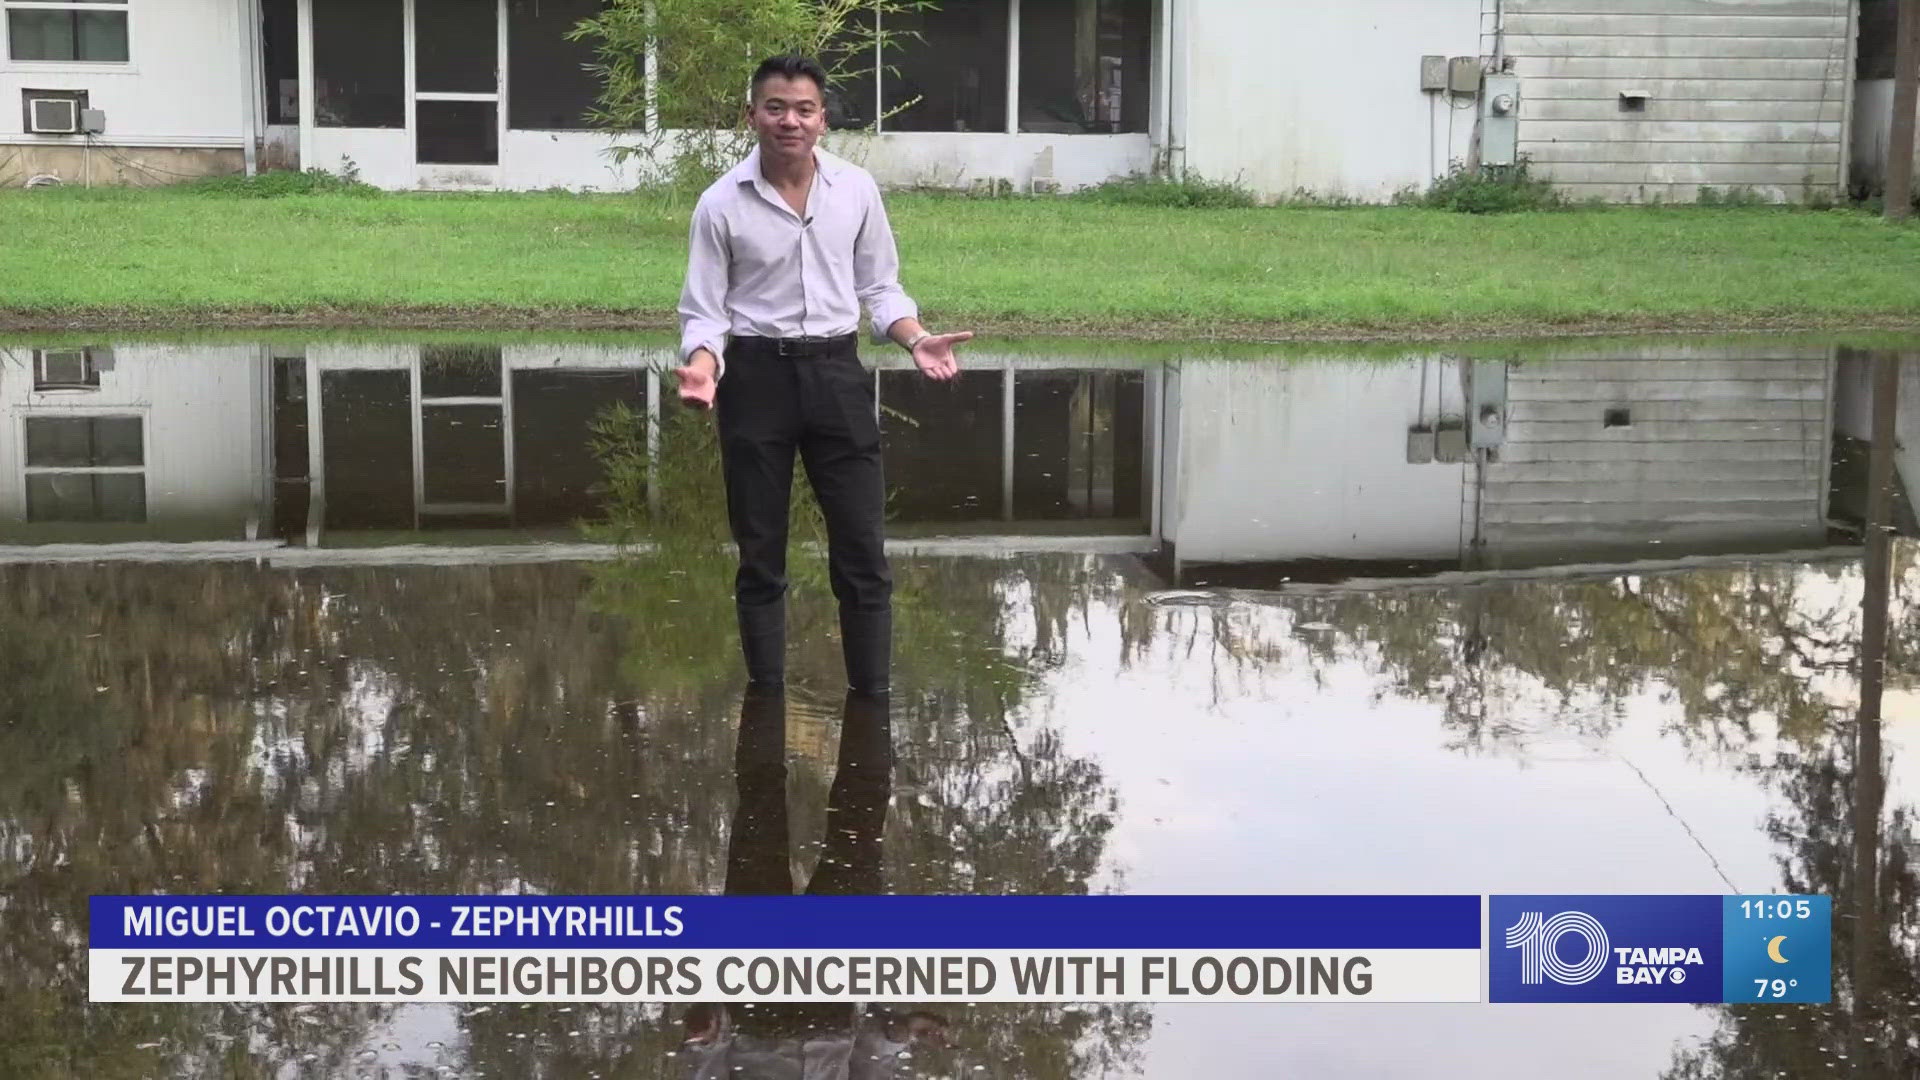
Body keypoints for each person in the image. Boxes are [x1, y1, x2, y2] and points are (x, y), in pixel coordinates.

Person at [675, 54, 972, 698]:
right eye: (775, 107)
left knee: (863, 553)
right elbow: (705, 312)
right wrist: (704, 367)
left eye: (803, 109)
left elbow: (881, 287)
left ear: (823, 119)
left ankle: (873, 701)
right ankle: (766, 702)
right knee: (760, 555)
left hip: (837, 375)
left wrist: (916, 339)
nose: (790, 120)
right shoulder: (720, 204)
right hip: (755, 380)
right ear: (751, 115)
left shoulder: (857, 190)